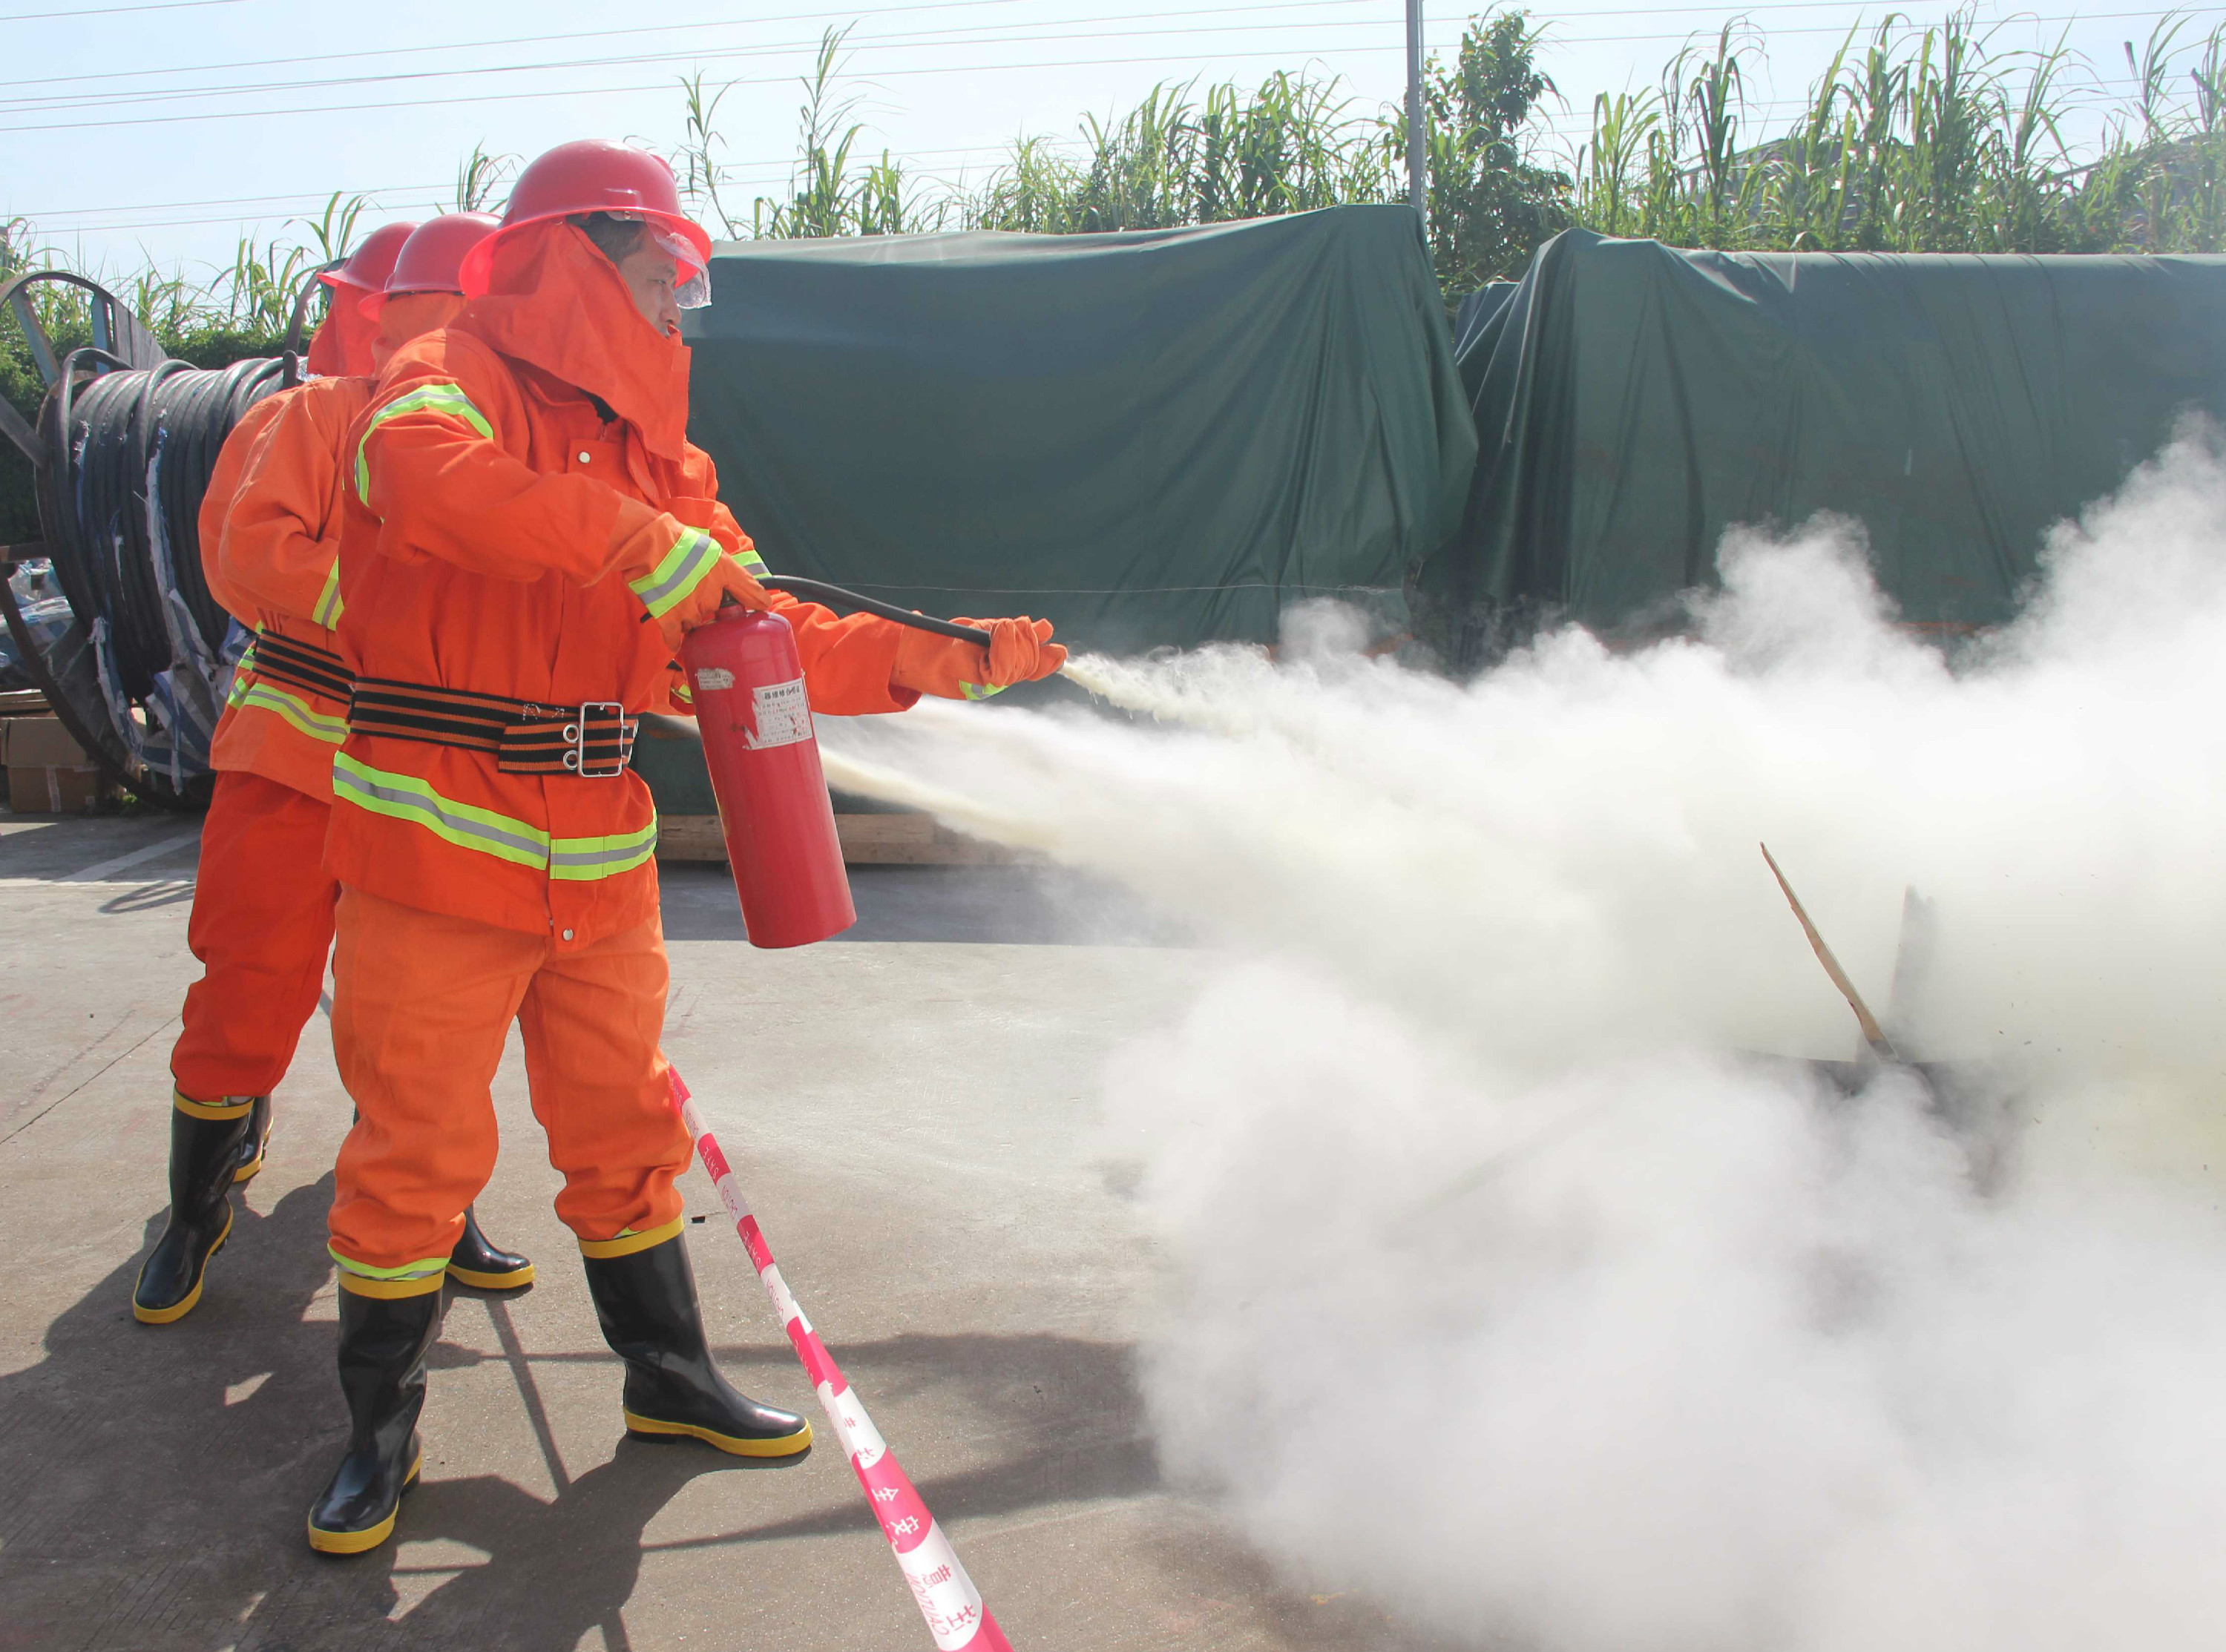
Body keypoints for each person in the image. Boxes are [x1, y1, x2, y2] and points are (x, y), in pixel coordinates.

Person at [306, 139, 1064, 1556]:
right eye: (662, 271)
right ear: (573, 259)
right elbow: (426, 482)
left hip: (596, 850)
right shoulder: (445, 378)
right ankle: (378, 1432)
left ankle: (667, 1380)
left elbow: (765, 626)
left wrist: (936, 660)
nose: (677, 304)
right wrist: (632, 545)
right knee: (416, 1147)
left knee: (628, 1127)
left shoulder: (669, 464)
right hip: (435, 847)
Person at [134, 217, 535, 1326]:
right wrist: (407, 613)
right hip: (291, 766)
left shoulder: (506, 447)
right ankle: (194, 1213)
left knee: (418, 1017)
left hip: (433, 776)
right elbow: (251, 557)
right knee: (248, 985)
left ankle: (434, 1211)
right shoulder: (311, 417)